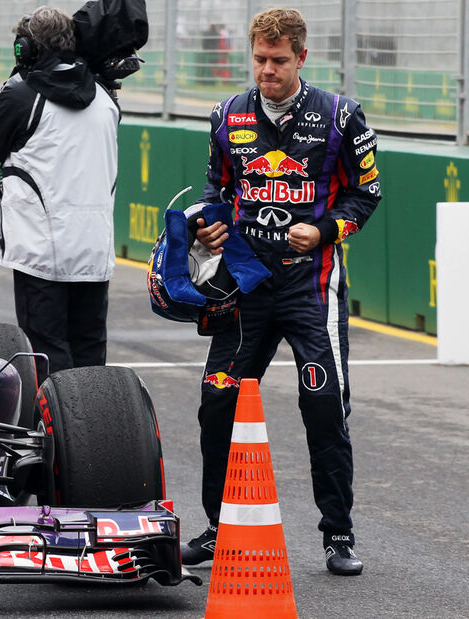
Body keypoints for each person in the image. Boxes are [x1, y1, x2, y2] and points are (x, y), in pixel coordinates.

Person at [180, 7, 380, 576]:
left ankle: (337, 534)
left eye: (278, 61)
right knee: (217, 399)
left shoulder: (343, 117)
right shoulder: (226, 115)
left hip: (311, 286)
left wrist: (323, 230)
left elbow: (366, 196)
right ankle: (218, 528)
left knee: (323, 404)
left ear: (301, 57)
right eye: (260, 60)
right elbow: (217, 191)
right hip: (245, 286)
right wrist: (209, 224)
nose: (267, 70)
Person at [0, 7, 118, 373]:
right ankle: (97, 421)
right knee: (89, 346)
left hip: (41, 247)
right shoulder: (105, 97)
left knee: (46, 348)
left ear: (25, 49)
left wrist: (10, 87)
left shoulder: (23, 96)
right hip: (94, 246)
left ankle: (62, 426)